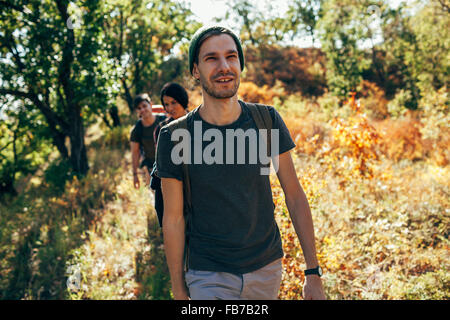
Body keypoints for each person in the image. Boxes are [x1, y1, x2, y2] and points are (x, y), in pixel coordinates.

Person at [155, 25, 326, 300]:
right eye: (211, 58)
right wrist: (178, 288)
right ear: (196, 70)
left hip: (266, 269)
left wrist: (313, 271)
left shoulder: (265, 121)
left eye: (231, 56)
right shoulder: (176, 136)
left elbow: (294, 195)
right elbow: (172, 218)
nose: (224, 66)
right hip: (207, 273)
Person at [150, 82, 189, 227]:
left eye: (174, 102)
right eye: (166, 104)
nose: (170, 108)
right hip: (170, 182)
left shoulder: (197, 122)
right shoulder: (162, 128)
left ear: (183, 100)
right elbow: (160, 161)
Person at [130, 93, 166, 189]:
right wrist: (135, 175)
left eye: (144, 106)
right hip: (152, 170)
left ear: (151, 105)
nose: (142, 110)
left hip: (170, 166)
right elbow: (135, 152)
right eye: (139, 108)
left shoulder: (164, 120)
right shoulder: (137, 129)